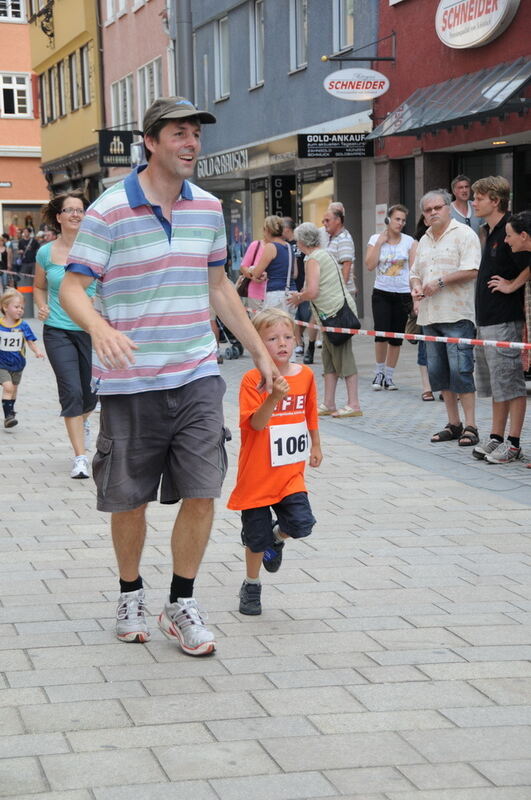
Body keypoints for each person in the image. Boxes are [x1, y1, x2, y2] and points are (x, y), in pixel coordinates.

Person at [59, 96, 274, 655]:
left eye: (195, 135)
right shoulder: (108, 211)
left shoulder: (208, 207)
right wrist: (100, 330)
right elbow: (71, 288)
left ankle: (181, 601)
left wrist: (259, 352)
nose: (191, 143)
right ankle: (130, 592)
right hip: (131, 380)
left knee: (203, 490)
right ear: (150, 142)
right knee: (129, 498)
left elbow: (220, 286)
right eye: (179, 133)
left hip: (198, 373)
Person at [228, 308, 322, 615]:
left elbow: (310, 413)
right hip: (257, 474)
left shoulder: (305, 375)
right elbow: (255, 425)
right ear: (258, 343)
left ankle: (277, 538)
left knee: (301, 522)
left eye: (287, 337)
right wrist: (273, 397)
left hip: (289, 473)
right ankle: (251, 585)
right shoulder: (252, 380)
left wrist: (316, 445)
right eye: (272, 338)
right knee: (255, 540)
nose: (282, 343)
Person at [33, 191, 97, 480]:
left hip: (86, 330)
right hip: (57, 331)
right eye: (69, 210)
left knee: (89, 397)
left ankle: (82, 423)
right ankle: (80, 457)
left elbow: (97, 289)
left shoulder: (93, 250)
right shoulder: (46, 252)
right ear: (58, 217)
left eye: (79, 210)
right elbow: (38, 286)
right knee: (71, 392)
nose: (75, 214)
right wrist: (42, 306)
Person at [410, 189, 481, 445]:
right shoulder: (425, 239)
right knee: (439, 373)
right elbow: (414, 272)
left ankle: (471, 425)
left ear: (448, 207)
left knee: (461, 371)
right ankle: (454, 423)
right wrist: (416, 287)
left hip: (457, 314)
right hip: (429, 316)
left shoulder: (464, 234)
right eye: (428, 210)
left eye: (437, 208)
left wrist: (440, 282)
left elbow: (472, 269)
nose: (432, 213)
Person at [470, 177, 528, 465]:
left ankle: (514, 443)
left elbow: (529, 263)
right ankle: (496, 435)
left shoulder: (512, 231)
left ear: (495, 200)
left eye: (479, 198)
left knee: (512, 384)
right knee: (496, 384)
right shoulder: (490, 230)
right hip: (487, 319)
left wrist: (511, 285)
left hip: (506, 320)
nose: (473, 202)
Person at [288, 222, 362, 418]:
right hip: (331, 314)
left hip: (335, 315)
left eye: (297, 241)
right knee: (329, 360)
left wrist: (299, 297)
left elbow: (312, 291)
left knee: (344, 359)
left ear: (303, 241)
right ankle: (328, 402)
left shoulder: (313, 258)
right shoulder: (324, 253)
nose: (297, 245)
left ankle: (353, 404)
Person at [365, 204, 417, 391]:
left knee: (396, 337)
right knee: (381, 334)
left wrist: (415, 297)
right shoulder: (375, 239)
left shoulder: (410, 241)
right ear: (388, 219)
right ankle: (378, 373)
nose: (400, 223)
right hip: (381, 293)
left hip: (403, 294)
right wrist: (380, 243)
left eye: (403, 220)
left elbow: (414, 270)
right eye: (397, 219)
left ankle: (389, 375)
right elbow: (369, 265)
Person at [0, 288, 45, 428]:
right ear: (5, 307)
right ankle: (8, 417)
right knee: (7, 388)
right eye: (16, 307)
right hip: (2, 364)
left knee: (13, 389)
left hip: (18, 364)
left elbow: (30, 341)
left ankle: (11, 410)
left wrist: (37, 351)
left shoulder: (23, 325)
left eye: (22, 308)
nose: (20, 310)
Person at [248, 216, 296, 311]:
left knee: (272, 324)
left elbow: (257, 273)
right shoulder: (289, 247)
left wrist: (252, 270)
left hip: (275, 293)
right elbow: (295, 274)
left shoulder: (271, 247)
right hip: (291, 292)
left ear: (267, 230)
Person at [282, 217, 308, 355]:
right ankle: (299, 342)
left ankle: (301, 338)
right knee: (296, 317)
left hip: (304, 284)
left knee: (305, 315)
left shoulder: (300, 244)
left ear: (287, 229)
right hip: (292, 285)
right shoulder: (284, 246)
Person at [238, 236, 266, 313]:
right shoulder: (256, 245)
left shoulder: (281, 246)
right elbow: (243, 267)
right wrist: (253, 276)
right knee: (257, 323)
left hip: (275, 294)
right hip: (256, 293)